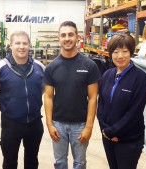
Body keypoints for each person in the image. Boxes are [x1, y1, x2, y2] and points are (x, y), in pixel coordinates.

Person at [43, 21, 100, 169]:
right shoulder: (51, 67)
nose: (67, 38)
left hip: (80, 125)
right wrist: (49, 124)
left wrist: (89, 126)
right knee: (60, 163)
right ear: (59, 38)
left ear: (77, 37)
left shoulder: (89, 66)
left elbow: (93, 98)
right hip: (58, 125)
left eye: (70, 34)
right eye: (63, 35)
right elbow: (48, 97)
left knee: (80, 163)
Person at [0, 31, 45, 169]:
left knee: (32, 159)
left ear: (29, 45)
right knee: (9, 161)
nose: (21, 46)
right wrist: (7, 105)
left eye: (25, 43)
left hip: (34, 122)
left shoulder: (40, 67)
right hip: (11, 124)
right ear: (11, 45)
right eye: (17, 43)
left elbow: (42, 88)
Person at [97, 34, 146, 169]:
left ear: (131, 52)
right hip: (108, 138)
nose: (120, 56)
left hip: (129, 140)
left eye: (125, 51)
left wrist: (113, 131)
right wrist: (105, 130)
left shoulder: (140, 78)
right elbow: (101, 104)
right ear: (110, 54)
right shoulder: (107, 75)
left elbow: (134, 113)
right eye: (115, 52)